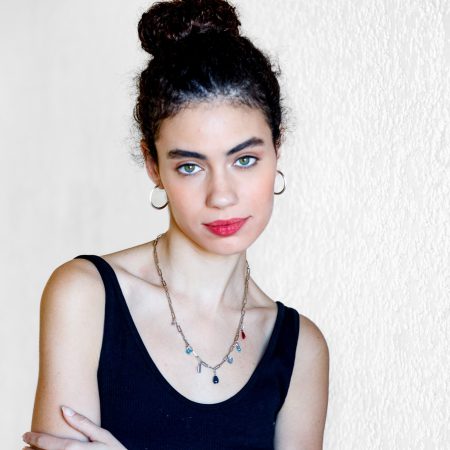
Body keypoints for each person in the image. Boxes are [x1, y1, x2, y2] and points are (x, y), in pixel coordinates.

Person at [22, 0, 329, 449]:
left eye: (245, 159)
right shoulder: (86, 296)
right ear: (153, 165)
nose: (221, 195)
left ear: (276, 149)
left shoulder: (300, 350)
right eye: (190, 166)